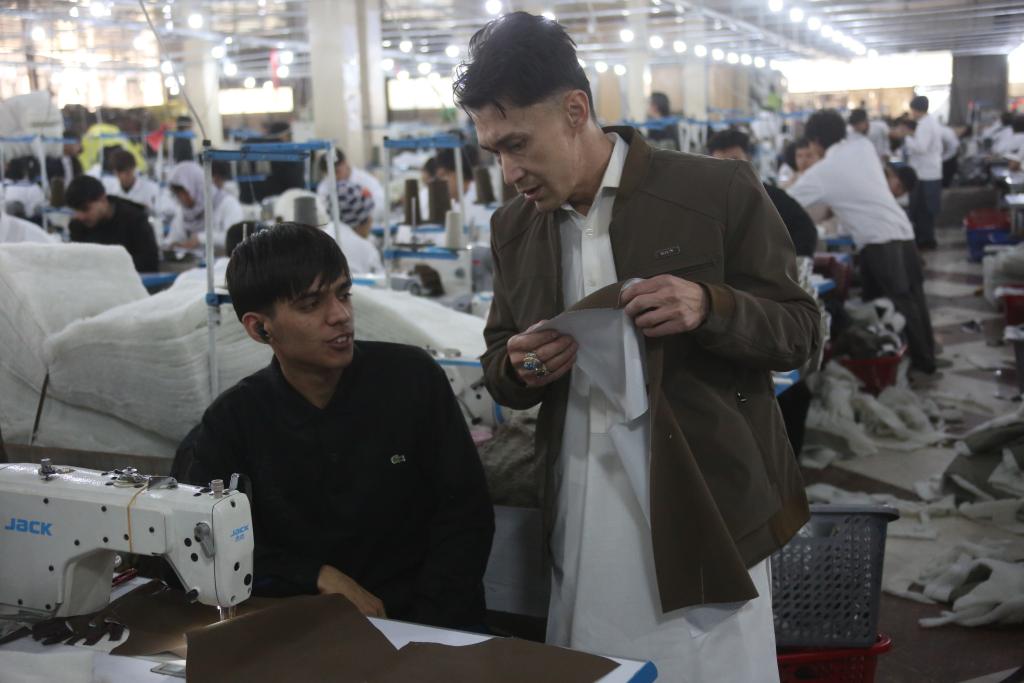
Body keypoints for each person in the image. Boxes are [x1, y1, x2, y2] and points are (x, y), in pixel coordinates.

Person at [457, 12, 819, 680]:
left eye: (517, 144)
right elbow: (499, 361)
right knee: (596, 664)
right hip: (581, 506)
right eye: (494, 152)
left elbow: (800, 331)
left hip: (703, 500)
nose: (509, 171)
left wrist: (709, 305)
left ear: (575, 111)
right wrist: (521, 364)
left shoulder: (714, 192)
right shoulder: (514, 228)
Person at [172, 222, 493, 629]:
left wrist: (423, 629)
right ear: (259, 328)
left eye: (344, 294)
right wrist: (314, 575)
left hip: (428, 622)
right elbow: (205, 543)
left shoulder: (412, 380)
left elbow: (465, 516)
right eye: (311, 304)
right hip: (306, 629)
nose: (340, 316)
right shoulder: (234, 422)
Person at [788, 109, 937, 376]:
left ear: (816, 142)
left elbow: (783, 203)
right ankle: (926, 356)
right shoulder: (863, 147)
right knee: (915, 298)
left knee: (901, 302)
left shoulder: (823, 172)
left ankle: (922, 364)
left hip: (879, 240)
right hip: (903, 232)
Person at [707, 129, 818, 257]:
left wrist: (787, 263)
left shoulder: (772, 198)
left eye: (735, 161)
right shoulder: (706, 201)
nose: (728, 170)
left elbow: (805, 231)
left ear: (748, 159)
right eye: (720, 163)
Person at [65, 175, 159, 272]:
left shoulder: (135, 220)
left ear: (103, 200)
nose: (80, 216)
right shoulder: (77, 225)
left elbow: (149, 263)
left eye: (85, 209)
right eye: (75, 210)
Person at [892, 96, 943, 249]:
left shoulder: (925, 125)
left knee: (923, 209)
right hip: (928, 171)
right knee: (922, 209)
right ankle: (924, 239)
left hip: (925, 173)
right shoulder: (929, 122)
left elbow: (921, 148)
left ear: (916, 110)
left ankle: (926, 240)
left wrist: (907, 136)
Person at [165, 161, 244, 251]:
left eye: (183, 192)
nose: (181, 198)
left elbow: (235, 238)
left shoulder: (228, 204)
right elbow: (173, 238)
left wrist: (201, 239)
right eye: (177, 194)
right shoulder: (183, 212)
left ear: (196, 187)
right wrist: (172, 245)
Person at [316, 147, 386, 223]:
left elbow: (380, 203)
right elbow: (322, 211)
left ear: (345, 163)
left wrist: (362, 219)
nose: (334, 177)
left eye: (337, 171)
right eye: (329, 174)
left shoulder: (365, 180)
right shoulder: (324, 187)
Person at [333, 180, 384, 275]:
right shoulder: (367, 250)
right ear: (362, 219)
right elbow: (381, 281)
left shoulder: (322, 236)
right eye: (369, 214)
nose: (371, 220)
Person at [105, 149, 160, 214]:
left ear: (134, 168)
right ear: (114, 172)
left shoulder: (151, 189)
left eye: (127, 173)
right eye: (119, 173)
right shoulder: (109, 189)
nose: (123, 177)